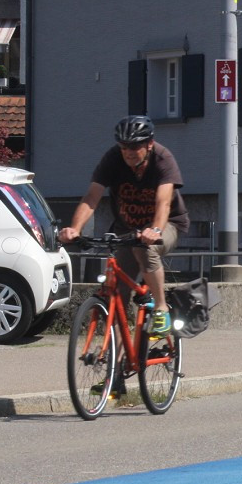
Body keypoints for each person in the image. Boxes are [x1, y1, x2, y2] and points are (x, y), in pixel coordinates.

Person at [60, 115, 190, 337]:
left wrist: (155, 230)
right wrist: (75, 228)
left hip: (166, 225)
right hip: (127, 229)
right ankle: (117, 361)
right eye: (124, 146)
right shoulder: (113, 159)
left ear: (149, 144)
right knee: (116, 296)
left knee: (145, 248)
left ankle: (160, 307)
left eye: (135, 146)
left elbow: (164, 202)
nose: (129, 151)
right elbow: (92, 196)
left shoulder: (162, 158)